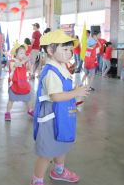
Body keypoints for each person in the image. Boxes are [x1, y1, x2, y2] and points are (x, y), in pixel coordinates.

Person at [30, 30, 89, 185]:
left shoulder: (62, 66)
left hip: (63, 115)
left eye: (70, 49)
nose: (69, 53)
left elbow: (64, 91)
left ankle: (59, 171)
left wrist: (76, 93)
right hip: (51, 118)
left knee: (62, 144)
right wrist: (75, 92)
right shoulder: (51, 71)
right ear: (50, 50)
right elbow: (55, 96)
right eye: (64, 49)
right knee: (47, 152)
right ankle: (37, 180)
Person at [6, 42, 32, 121]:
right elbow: (15, 65)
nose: (23, 55)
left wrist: (29, 61)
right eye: (21, 53)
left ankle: (30, 110)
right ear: (15, 53)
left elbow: (28, 69)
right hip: (14, 84)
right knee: (11, 100)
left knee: (28, 98)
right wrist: (24, 61)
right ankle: (7, 113)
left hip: (23, 83)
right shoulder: (12, 61)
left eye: (24, 53)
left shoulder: (23, 63)